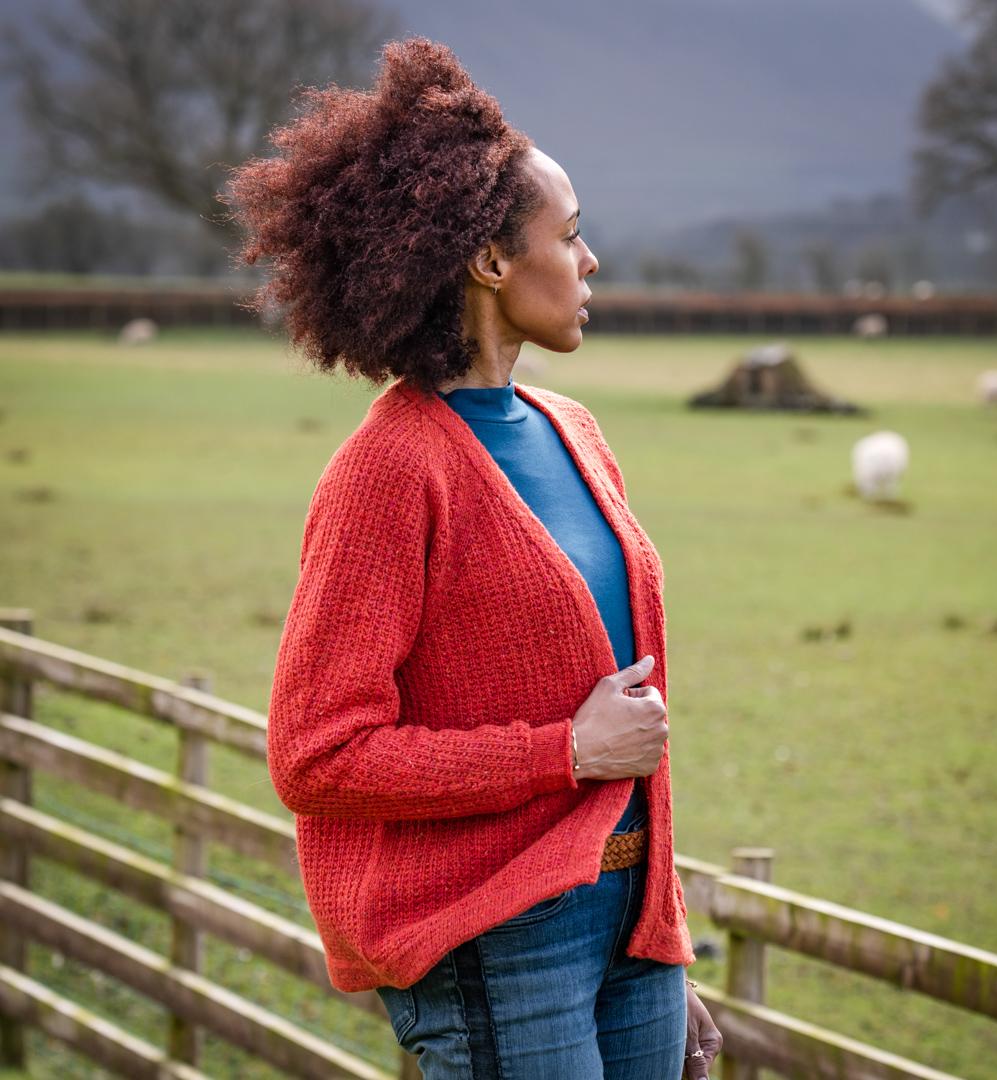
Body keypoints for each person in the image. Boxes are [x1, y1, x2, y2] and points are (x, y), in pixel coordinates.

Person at [222, 35, 722, 1079]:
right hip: (496, 939)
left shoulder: (576, 431)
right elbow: (316, 755)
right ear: (491, 263)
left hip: (628, 926)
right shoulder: (391, 472)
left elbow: (627, 725)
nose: (590, 263)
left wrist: (662, 940)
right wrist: (563, 753)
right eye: (571, 236)